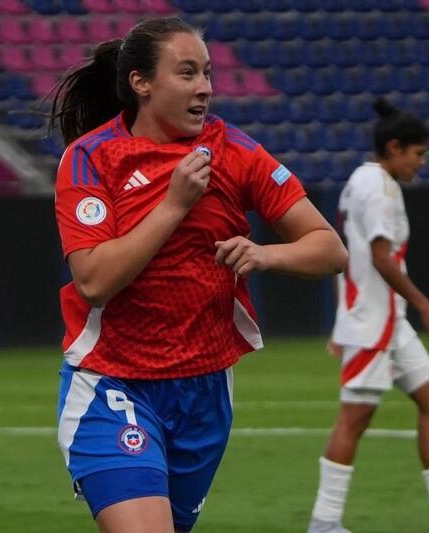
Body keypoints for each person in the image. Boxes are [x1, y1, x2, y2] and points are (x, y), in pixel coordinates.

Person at [48, 17, 347, 533]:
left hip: (204, 391)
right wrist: (172, 205)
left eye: (207, 73)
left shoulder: (235, 150)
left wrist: (265, 254)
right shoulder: (90, 158)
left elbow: (330, 249)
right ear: (141, 83)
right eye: (186, 73)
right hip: (112, 382)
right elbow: (94, 280)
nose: (204, 87)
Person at [307, 99, 429, 533]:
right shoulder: (376, 186)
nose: (421, 163)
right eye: (418, 154)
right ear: (394, 147)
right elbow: (379, 257)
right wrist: (428, 306)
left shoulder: (367, 180)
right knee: (354, 420)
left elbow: (358, 256)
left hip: (387, 322)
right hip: (373, 324)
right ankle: (323, 523)